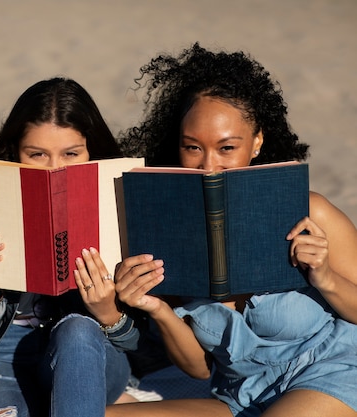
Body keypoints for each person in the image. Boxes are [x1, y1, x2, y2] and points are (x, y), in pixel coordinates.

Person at [106, 43, 357, 417]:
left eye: (226, 148)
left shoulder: (309, 211)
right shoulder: (163, 228)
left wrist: (325, 278)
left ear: (257, 141)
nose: (208, 167)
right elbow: (198, 368)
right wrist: (155, 306)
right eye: (192, 147)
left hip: (329, 371)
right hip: (239, 394)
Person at [0, 77, 156, 417]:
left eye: (71, 154)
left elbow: (137, 343)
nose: (55, 167)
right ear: (15, 151)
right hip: (0, 354)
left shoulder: (120, 199)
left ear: (91, 150)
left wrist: (106, 313)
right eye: (37, 154)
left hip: (89, 350)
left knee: (77, 330)